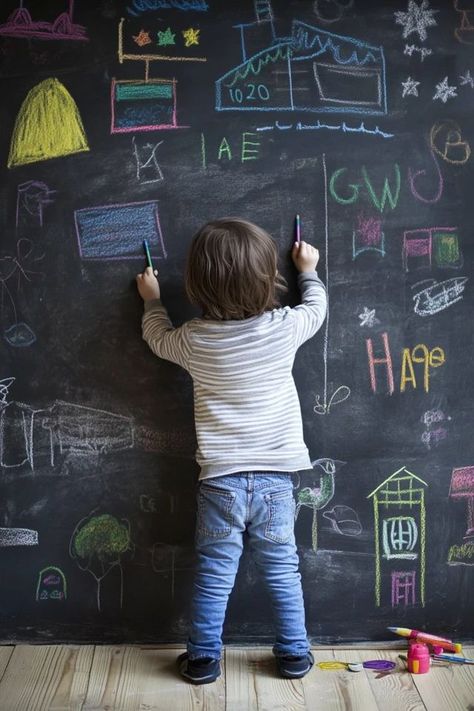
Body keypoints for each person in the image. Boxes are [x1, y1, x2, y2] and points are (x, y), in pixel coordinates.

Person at [136, 218, 327, 684]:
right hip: (276, 481)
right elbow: (316, 309)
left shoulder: (195, 340)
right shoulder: (283, 328)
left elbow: (156, 338)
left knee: (216, 571)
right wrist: (309, 269)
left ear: (198, 284)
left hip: (219, 480)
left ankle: (202, 659)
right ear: (268, 279)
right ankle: (295, 655)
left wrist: (153, 301)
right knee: (283, 569)